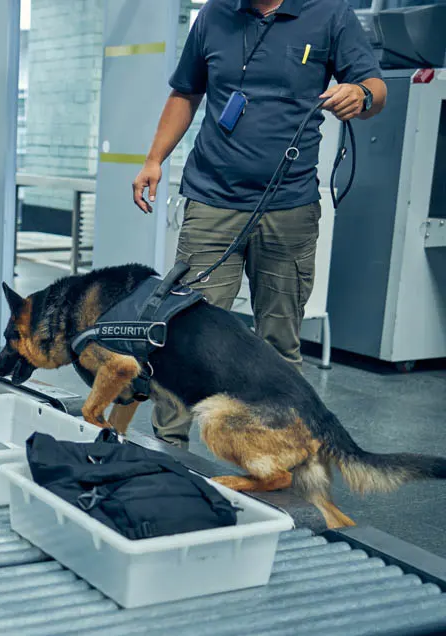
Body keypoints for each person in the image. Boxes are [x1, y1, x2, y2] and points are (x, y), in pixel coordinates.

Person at [132, 0, 386, 446]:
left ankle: (277, 451)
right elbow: (185, 93)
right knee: (184, 331)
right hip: (212, 199)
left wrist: (361, 95)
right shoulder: (213, 14)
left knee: (278, 341)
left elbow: (376, 90)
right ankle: (166, 449)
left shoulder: (330, 15)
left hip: (289, 205)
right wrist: (154, 160)